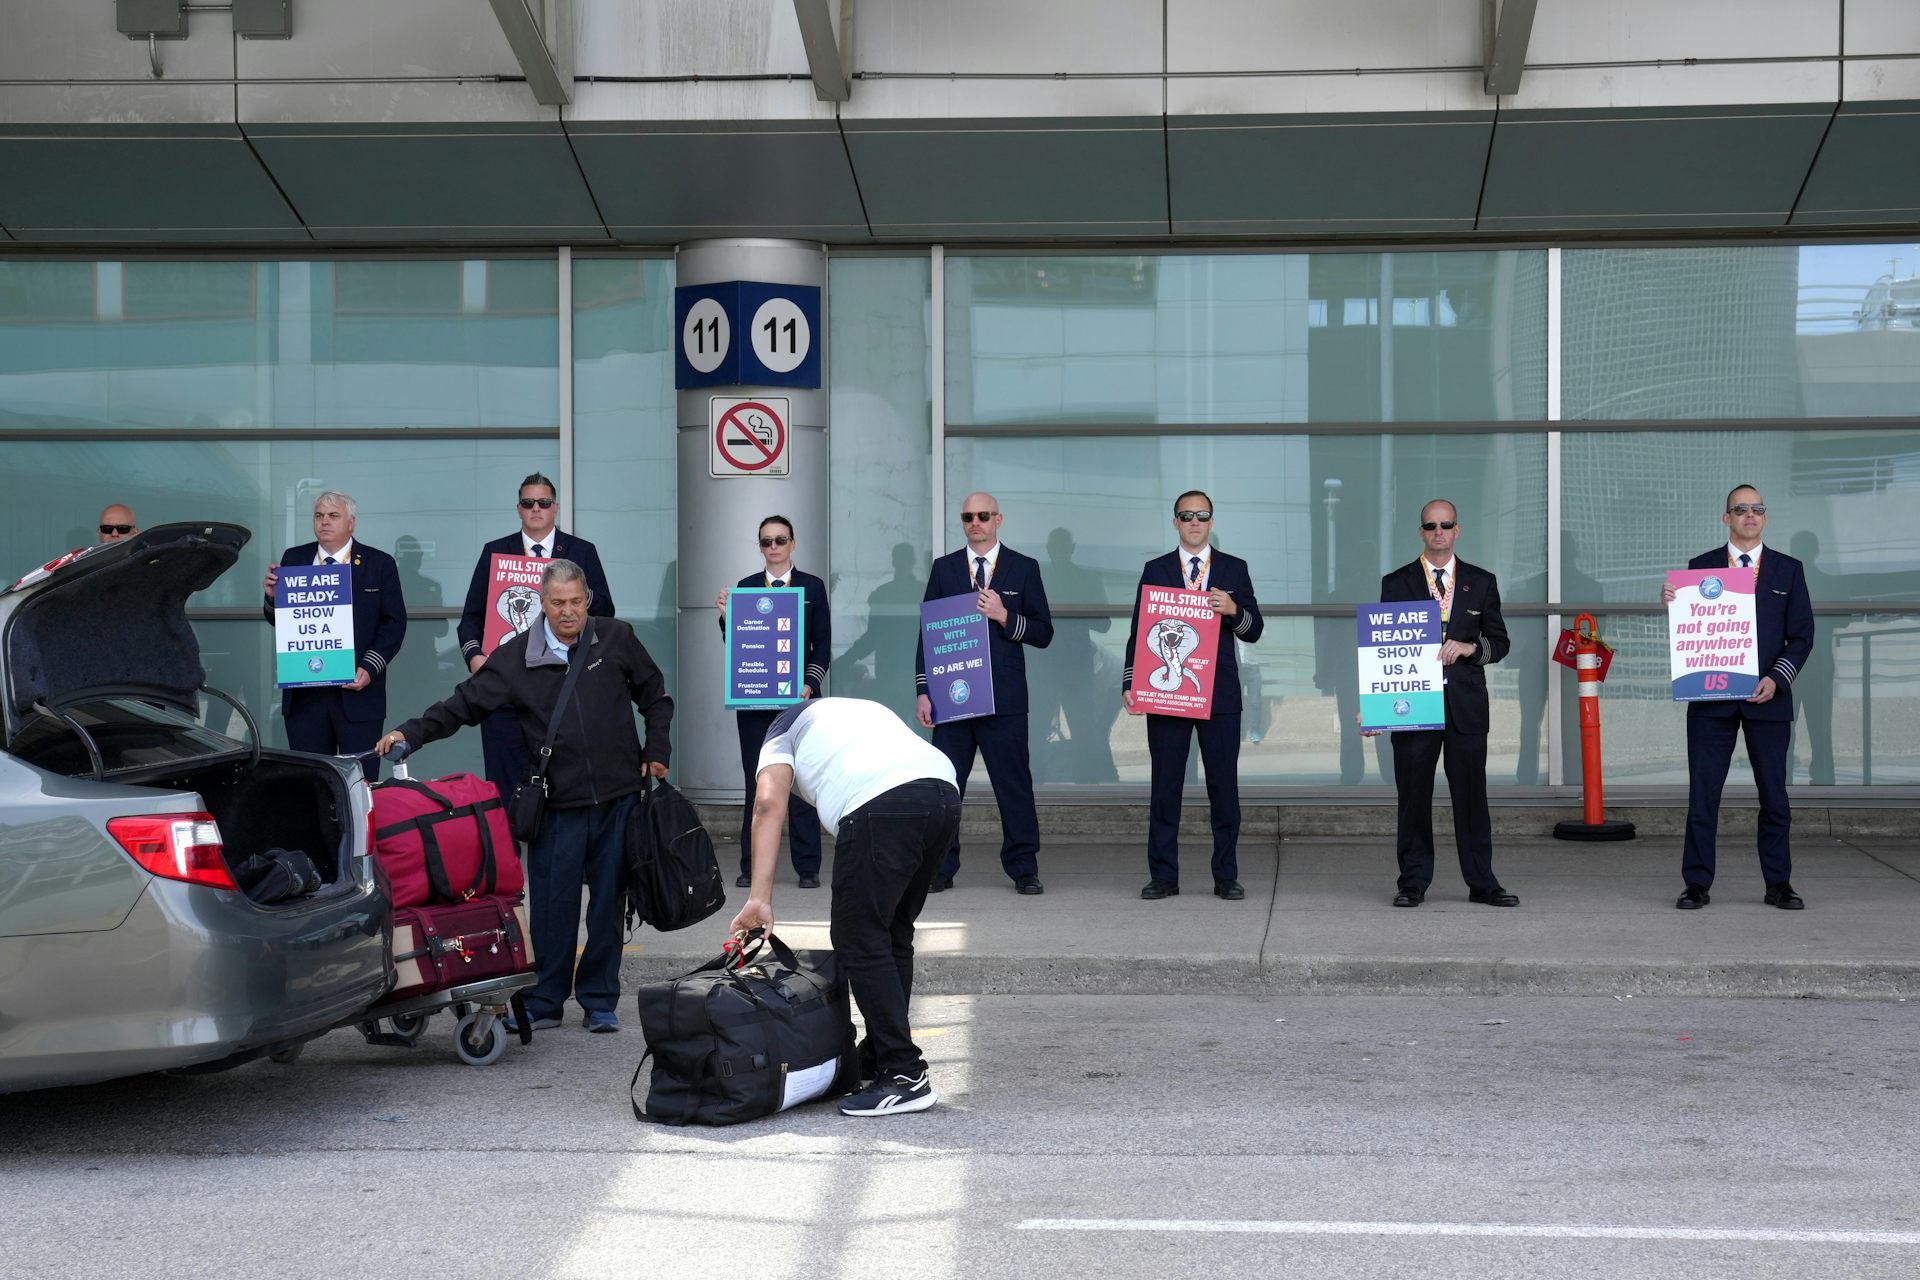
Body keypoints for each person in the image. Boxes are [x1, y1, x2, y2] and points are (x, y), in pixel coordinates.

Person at [377, 559, 672, 1033]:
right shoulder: (515, 657)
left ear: (587, 598)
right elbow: (463, 704)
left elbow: (655, 695)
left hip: (619, 799)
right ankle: (545, 1000)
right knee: (553, 909)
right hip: (556, 806)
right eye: (558, 603)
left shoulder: (616, 638)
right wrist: (410, 734)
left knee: (607, 907)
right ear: (541, 602)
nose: (569, 612)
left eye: (577, 601)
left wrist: (657, 747)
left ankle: (599, 1000)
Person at [725, 697, 960, 1117]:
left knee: (858, 937)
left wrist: (759, 897)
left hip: (879, 803)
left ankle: (905, 1074)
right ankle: (880, 1053)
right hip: (942, 790)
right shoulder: (856, 708)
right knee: (891, 934)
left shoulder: (779, 729)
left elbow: (767, 805)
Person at [1661, 485, 1814, 911]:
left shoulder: (1788, 569)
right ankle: (1696, 884)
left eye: (1757, 509)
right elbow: (1693, 630)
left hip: (1768, 698)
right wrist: (1673, 603)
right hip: (1712, 701)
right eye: (1741, 509)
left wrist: (1777, 678)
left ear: (1764, 518)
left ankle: (1779, 884)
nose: (1750, 515)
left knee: (1774, 797)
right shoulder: (1701, 568)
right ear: (1726, 518)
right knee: (1703, 796)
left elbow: (1802, 636)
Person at [1369, 499, 1516, 908]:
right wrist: (1376, 702)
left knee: (1472, 797)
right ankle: (1412, 882)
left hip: (1466, 707)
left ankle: (1483, 883)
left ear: (1457, 530)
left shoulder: (1481, 581)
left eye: (1445, 525)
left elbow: (1500, 643)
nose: (1438, 532)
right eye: (1430, 525)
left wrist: (1470, 647)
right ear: (1421, 531)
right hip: (1412, 706)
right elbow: (1384, 649)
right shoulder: (1395, 583)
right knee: (1413, 796)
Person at [1123, 490, 1264, 901]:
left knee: (1224, 788)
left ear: (1212, 521)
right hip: (1166, 692)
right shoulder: (1156, 569)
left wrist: (1234, 610)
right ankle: (1163, 876)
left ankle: (1226, 876)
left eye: (1202, 516)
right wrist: (1130, 683)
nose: (1195, 522)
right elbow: (1138, 632)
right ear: (1175, 523)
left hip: (1217, 693)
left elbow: (1254, 630)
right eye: (1187, 516)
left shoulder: (1234, 569)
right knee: (1165, 786)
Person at [913, 492, 1053, 895]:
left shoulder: (1023, 568)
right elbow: (927, 633)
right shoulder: (944, 569)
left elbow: (1044, 633)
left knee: (1014, 786)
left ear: (998, 519)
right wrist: (924, 691)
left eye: (983, 515)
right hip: (952, 697)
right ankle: (940, 869)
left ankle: (1024, 867)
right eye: (968, 516)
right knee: (945, 787)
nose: (976, 522)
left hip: (1005, 701)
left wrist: (1005, 616)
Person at [458, 473, 615, 792]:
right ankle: (506, 844)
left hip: (562, 684)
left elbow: (606, 609)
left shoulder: (580, 551)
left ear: (554, 507)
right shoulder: (495, 551)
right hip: (505, 686)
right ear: (519, 509)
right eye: (528, 503)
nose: (536, 509)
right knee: (504, 784)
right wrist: (476, 659)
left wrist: (574, 594)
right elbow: (470, 618)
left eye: (543, 502)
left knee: (562, 783)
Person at [714, 514, 831, 890]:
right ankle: (751, 866)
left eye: (781, 540)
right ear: (760, 546)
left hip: (800, 701)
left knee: (802, 782)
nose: (774, 547)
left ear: (793, 543)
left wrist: (810, 684)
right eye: (767, 541)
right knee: (758, 783)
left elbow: (823, 645)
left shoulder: (812, 586)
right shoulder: (746, 588)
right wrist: (726, 619)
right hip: (755, 704)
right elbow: (740, 646)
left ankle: (808, 866)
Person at [260, 490, 407, 782]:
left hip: (359, 693)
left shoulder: (379, 563)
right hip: (306, 697)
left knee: (360, 784)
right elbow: (285, 623)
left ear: (351, 522)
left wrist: (369, 667)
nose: (324, 522)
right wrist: (272, 599)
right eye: (318, 516)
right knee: (311, 783)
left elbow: (394, 624)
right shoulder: (294, 558)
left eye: (333, 516)